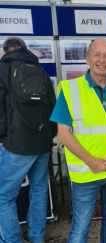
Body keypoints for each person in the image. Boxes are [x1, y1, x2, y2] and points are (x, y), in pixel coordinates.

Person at [50, 39, 106, 242]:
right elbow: (63, 133)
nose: (102, 60)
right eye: (97, 55)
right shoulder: (70, 89)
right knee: (81, 227)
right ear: (87, 59)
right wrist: (92, 162)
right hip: (85, 172)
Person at [0, 37, 57, 243]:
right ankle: (36, 237)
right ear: (25, 49)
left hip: (16, 144)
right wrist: (49, 137)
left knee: (4, 197)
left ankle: (11, 240)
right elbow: (52, 107)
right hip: (42, 142)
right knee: (40, 191)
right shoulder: (40, 70)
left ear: (5, 51)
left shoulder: (2, 69)